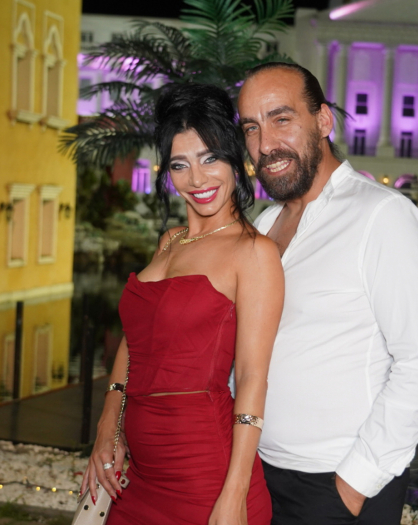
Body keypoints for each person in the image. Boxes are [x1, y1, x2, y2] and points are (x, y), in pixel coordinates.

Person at [237, 62, 418, 525]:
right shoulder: (265, 224)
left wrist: (352, 486)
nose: (265, 144)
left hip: (335, 488)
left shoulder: (382, 216)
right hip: (258, 473)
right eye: (251, 128)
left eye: (281, 119)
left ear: (323, 121)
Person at [82, 83, 284, 525]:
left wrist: (234, 494)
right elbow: (135, 343)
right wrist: (107, 426)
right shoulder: (170, 241)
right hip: (138, 471)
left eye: (210, 159)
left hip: (204, 473)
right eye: (180, 164)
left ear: (235, 161)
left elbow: (252, 378)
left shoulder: (254, 253)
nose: (197, 179)